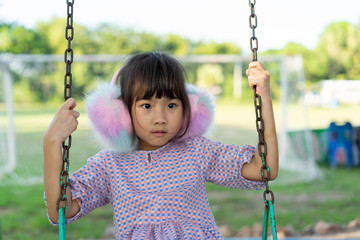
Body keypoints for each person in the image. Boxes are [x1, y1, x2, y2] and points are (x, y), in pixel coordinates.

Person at [43, 52, 278, 239]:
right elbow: (61, 210)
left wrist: (264, 99)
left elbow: (263, 169)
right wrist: (52, 142)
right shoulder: (111, 164)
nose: (160, 118)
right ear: (121, 112)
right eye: (146, 105)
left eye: (172, 105)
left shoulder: (196, 151)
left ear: (188, 108)